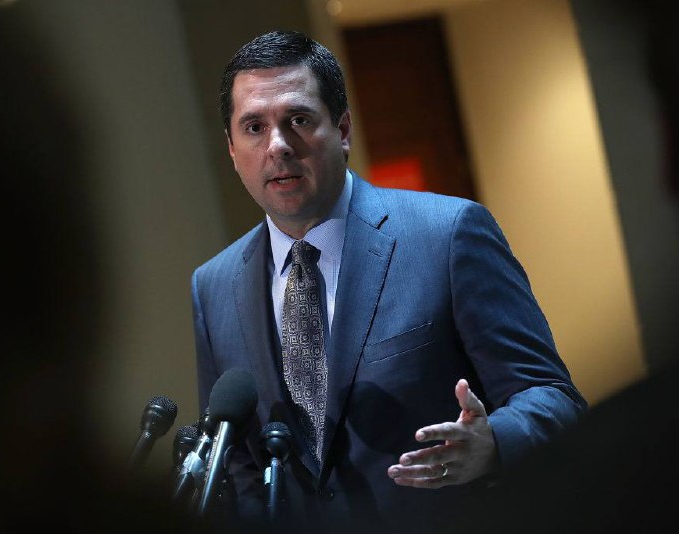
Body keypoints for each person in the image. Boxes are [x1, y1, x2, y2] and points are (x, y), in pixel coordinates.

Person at [191, 30, 585, 532]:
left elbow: (553, 396)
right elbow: (239, 467)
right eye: (254, 127)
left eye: (299, 120)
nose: (278, 146)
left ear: (343, 129)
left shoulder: (448, 235)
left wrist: (493, 444)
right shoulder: (213, 286)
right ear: (231, 148)